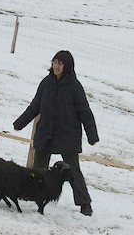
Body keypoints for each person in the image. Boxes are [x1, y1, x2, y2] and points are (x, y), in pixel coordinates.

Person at [13, 50, 99, 216]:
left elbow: (84, 112)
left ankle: (84, 203)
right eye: (54, 62)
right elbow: (35, 106)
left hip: (68, 135)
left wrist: (92, 135)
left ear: (67, 66)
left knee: (73, 170)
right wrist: (20, 123)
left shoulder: (75, 87)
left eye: (60, 63)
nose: (56, 66)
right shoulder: (46, 83)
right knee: (38, 168)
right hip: (46, 132)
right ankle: (33, 195)